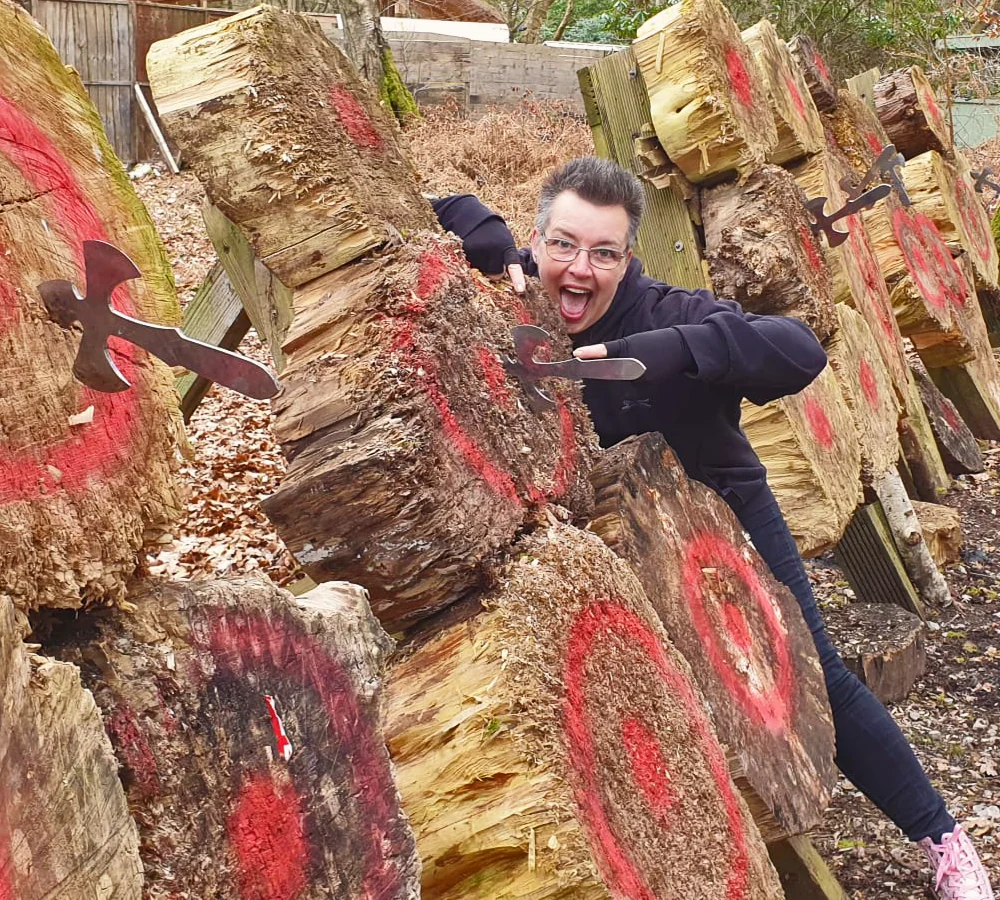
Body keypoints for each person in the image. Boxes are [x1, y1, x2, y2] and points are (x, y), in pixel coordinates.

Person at [433, 156, 995, 900]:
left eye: (604, 253)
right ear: (538, 240)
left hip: (721, 518)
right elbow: (427, 202)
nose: (579, 269)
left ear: (627, 258)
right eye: (563, 245)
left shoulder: (667, 311)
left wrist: (673, 353)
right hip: (596, 531)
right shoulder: (515, 284)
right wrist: (483, 231)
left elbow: (798, 351)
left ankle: (944, 843)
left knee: (812, 673)